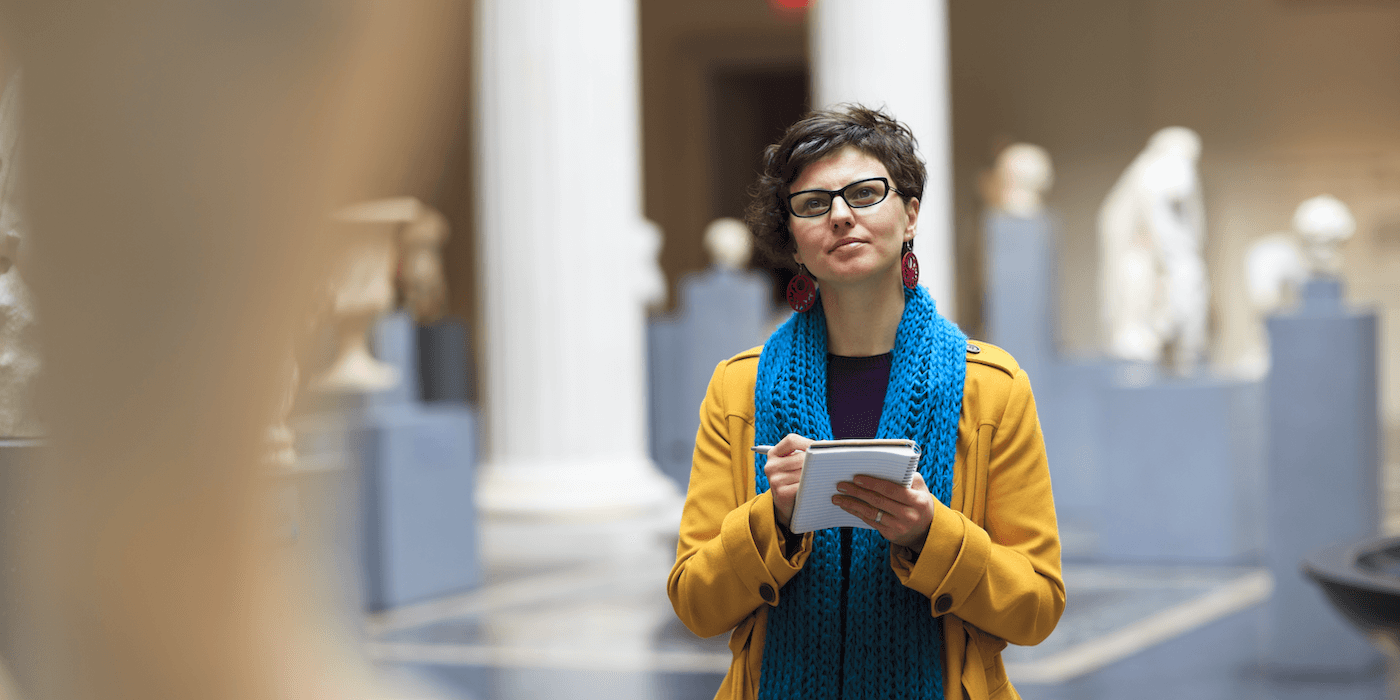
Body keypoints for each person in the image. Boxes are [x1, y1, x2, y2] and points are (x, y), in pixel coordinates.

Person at [667, 105, 1064, 700]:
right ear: (794, 239)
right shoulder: (739, 389)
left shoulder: (992, 388)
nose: (841, 216)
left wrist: (930, 533)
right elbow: (696, 604)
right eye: (813, 203)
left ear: (910, 215)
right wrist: (772, 518)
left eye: (865, 193)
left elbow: (1036, 607)